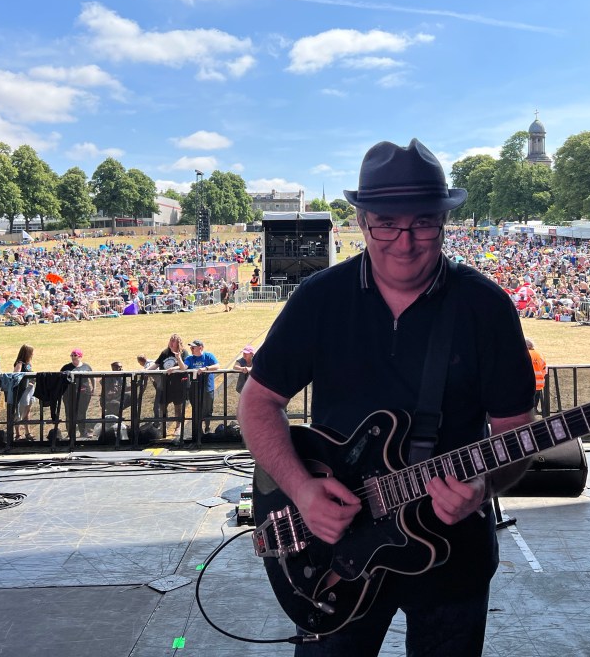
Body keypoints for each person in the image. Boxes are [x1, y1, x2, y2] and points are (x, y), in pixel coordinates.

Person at [239, 138, 534, 657]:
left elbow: (516, 433)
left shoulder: (485, 307)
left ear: (444, 222)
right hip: (335, 553)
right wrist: (303, 493)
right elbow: (257, 402)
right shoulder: (321, 299)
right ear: (360, 221)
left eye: (423, 223)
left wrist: (483, 485)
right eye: (386, 224)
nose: (405, 241)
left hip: (453, 559)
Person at [153, 334, 190, 440]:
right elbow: (156, 364)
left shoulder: (183, 352)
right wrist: (144, 371)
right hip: (165, 384)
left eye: (173, 341)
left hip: (178, 384)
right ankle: (163, 426)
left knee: (178, 406)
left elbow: (185, 366)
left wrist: (174, 368)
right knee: (162, 405)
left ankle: (178, 426)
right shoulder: (165, 353)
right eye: (170, 340)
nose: (171, 343)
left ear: (178, 343)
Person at [184, 339, 219, 434]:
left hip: (207, 387)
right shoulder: (189, 358)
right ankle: (198, 430)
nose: (191, 349)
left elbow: (217, 366)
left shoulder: (208, 356)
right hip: (194, 388)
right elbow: (183, 367)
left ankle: (207, 427)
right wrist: (178, 358)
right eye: (191, 347)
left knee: (208, 409)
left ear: (200, 348)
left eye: (193, 347)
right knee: (196, 409)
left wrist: (206, 368)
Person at [60, 348, 95, 438]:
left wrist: (93, 388)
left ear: (80, 356)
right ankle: (70, 433)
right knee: (69, 413)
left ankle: (83, 432)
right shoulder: (66, 367)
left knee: (82, 413)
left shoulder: (86, 367)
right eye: (71, 355)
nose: (73, 357)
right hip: (69, 394)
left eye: (75, 355)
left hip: (84, 393)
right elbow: (60, 379)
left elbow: (92, 377)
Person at [13, 344, 36, 442]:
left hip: (30, 391)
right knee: (19, 412)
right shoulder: (20, 363)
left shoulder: (28, 364)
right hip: (22, 391)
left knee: (27, 412)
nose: (32, 354)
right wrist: (25, 381)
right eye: (31, 352)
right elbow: (15, 375)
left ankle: (27, 432)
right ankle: (17, 434)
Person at [525, 338, 546, 414]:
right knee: (535, 400)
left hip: (528, 383)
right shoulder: (539, 354)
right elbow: (544, 368)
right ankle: (535, 410)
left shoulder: (525, 354)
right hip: (539, 383)